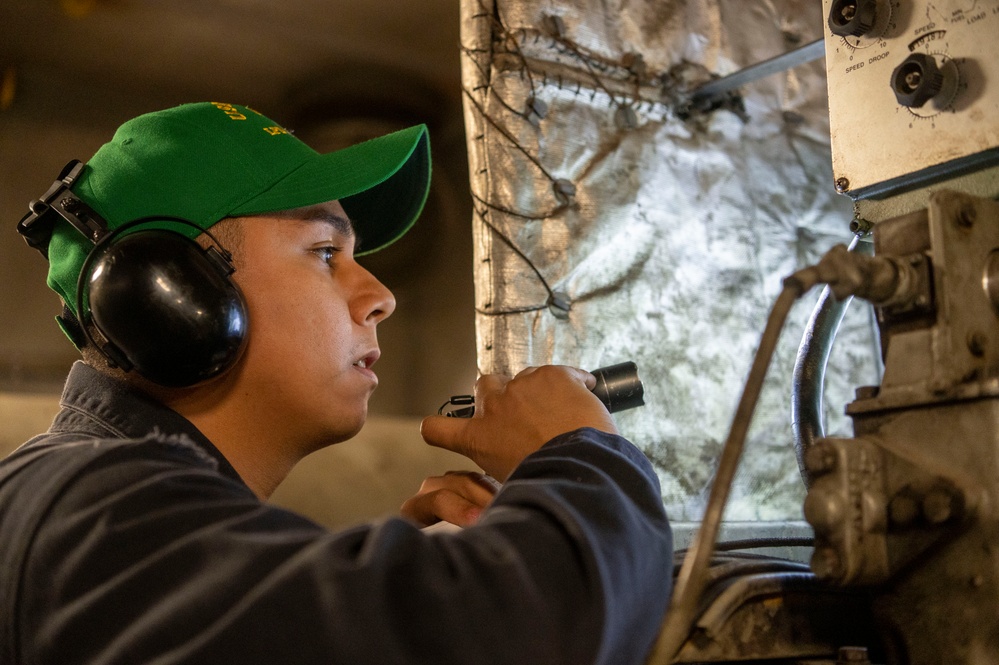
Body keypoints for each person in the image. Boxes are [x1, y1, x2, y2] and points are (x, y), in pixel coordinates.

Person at [0, 102, 673, 664]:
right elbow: (524, 634)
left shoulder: (93, 502)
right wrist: (580, 450)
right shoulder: (94, 514)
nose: (380, 296)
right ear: (170, 294)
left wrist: (378, 589)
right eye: (325, 253)